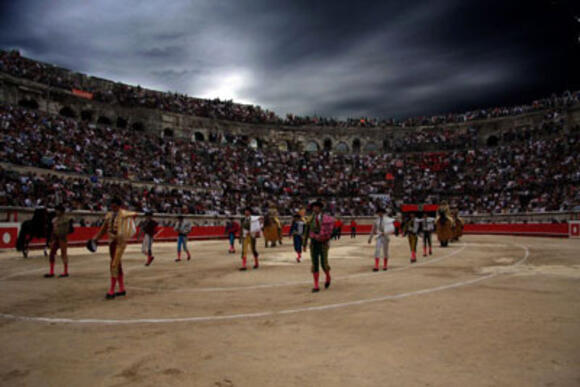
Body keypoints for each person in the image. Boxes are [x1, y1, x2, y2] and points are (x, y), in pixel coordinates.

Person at [91, 197, 137, 299]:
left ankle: (112, 290)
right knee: (117, 264)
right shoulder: (109, 215)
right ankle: (121, 288)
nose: (112, 207)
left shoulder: (124, 214)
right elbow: (103, 229)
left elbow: (134, 215)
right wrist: (96, 238)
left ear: (119, 206)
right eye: (112, 206)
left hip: (120, 242)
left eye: (114, 206)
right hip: (111, 241)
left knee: (114, 264)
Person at [304, 201, 333, 292]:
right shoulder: (310, 219)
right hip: (313, 243)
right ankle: (316, 285)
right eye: (314, 207)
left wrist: (326, 238)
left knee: (324, 263)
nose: (315, 209)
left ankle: (328, 276)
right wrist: (304, 244)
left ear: (320, 209)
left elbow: (329, 231)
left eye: (316, 207)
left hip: (323, 243)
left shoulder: (326, 218)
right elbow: (306, 232)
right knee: (315, 263)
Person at [44, 204, 71, 278]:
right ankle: (51, 272)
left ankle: (65, 272)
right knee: (52, 253)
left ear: (61, 211)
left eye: (57, 210)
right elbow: (53, 230)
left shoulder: (65, 219)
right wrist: (51, 239)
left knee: (63, 254)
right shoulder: (55, 219)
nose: (56, 212)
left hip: (62, 238)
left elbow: (66, 230)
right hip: (56, 238)